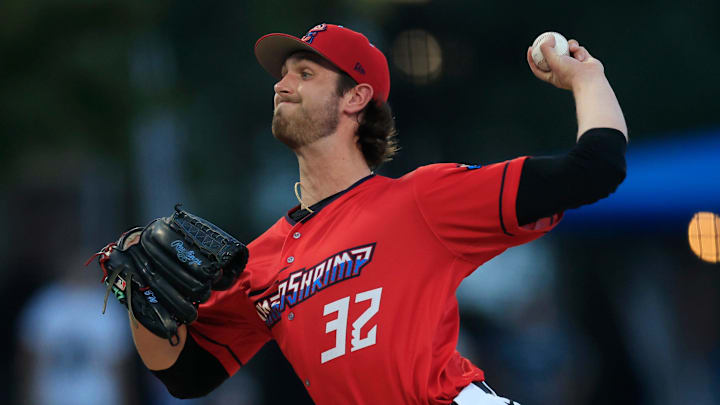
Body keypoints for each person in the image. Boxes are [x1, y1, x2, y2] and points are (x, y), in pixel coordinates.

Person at [121, 23, 628, 404]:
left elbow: (596, 168)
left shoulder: (421, 200)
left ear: (356, 97)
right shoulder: (262, 261)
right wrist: (134, 289)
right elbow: (186, 375)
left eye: (305, 73)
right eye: (282, 75)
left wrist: (588, 79)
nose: (282, 85)